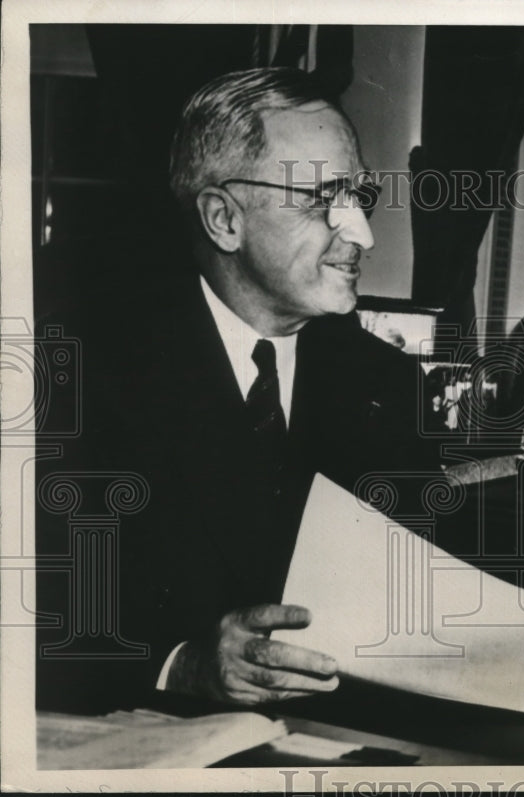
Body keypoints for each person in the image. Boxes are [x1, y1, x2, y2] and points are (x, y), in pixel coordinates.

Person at [35, 67, 439, 712]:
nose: (362, 232)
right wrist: (184, 664)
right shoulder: (75, 375)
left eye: (360, 194)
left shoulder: (387, 384)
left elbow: (424, 604)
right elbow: (33, 619)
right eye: (323, 197)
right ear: (224, 219)